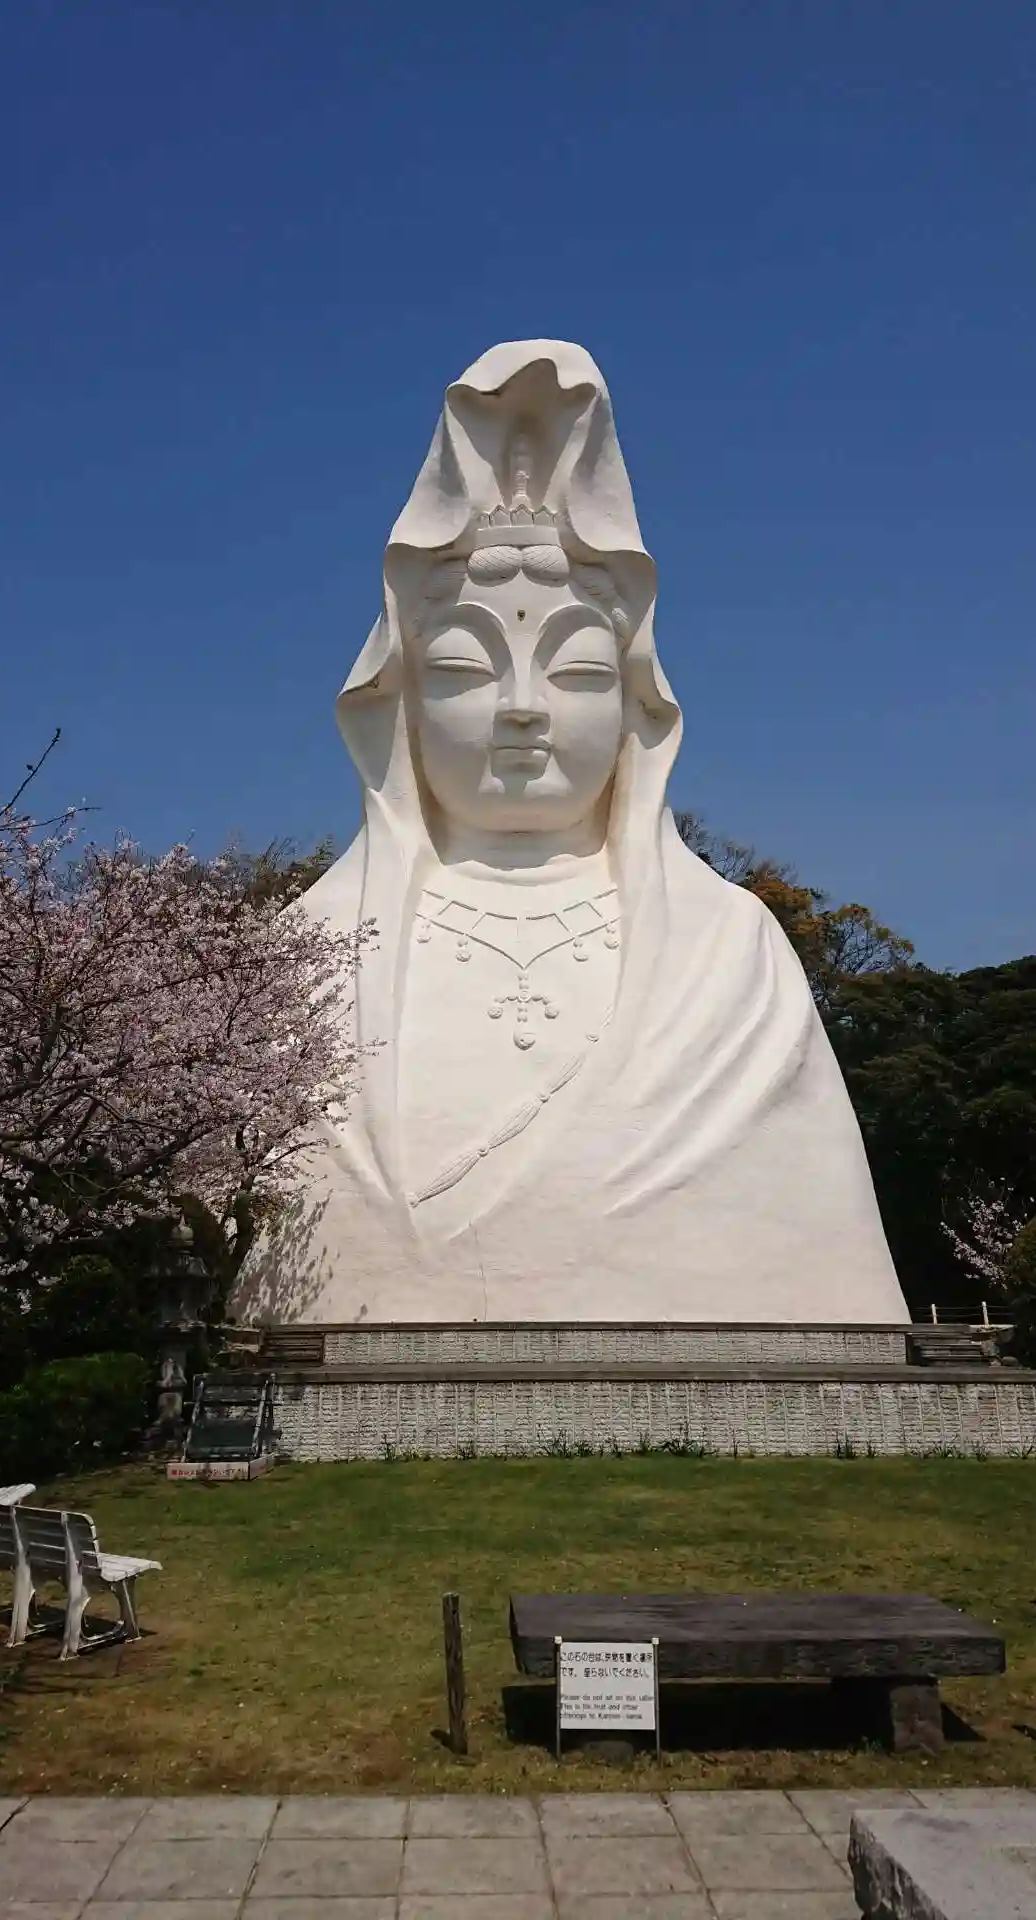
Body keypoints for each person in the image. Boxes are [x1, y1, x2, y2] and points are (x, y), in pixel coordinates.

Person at [234, 340, 909, 1326]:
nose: (522, 707)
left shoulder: (730, 953)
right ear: (401, 705)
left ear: (636, 703)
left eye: (578, 672)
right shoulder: (300, 958)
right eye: (464, 670)